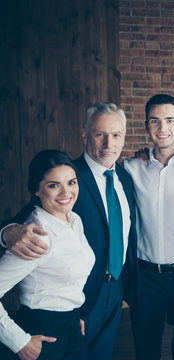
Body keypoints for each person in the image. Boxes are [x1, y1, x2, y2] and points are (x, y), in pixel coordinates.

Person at [1, 103, 139, 360]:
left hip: (114, 289)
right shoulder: (66, 175)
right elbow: (23, 221)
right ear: (85, 135)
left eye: (116, 135)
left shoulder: (125, 176)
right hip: (82, 293)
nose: (109, 143)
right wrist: (7, 232)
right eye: (100, 134)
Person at [123, 94, 174, 359]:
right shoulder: (131, 168)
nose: (162, 128)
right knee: (145, 348)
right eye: (154, 121)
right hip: (145, 275)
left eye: (169, 120)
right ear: (146, 126)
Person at [0, 150, 94, 360]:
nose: (66, 192)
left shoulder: (74, 220)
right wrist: (18, 341)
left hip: (72, 326)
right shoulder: (36, 235)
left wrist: (71, 312)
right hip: (42, 331)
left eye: (71, 182)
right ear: (36, 190)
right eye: (53, 185)